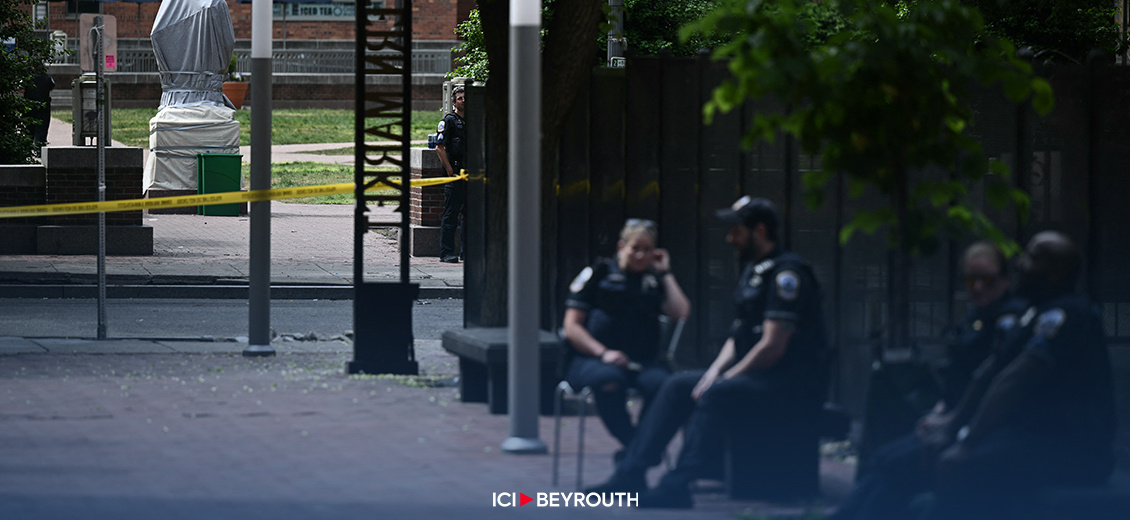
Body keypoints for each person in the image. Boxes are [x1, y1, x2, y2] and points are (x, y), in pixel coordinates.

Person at [830, 231, 1116, 520]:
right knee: (891, 459)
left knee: (955, 466)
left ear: (1054, 274)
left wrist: (965, 442)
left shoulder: (1067, 315)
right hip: (1027, 436)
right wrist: (952, 426)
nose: (1020, 263)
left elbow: (1012, 380)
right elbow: (987, 372)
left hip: (1071, 449)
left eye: (1032, 258)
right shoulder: (1034, 314)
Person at [586, 196, 830, 509]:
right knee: (677, 385)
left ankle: (677, 485)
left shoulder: (788, 274)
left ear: (759, 230)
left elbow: (772, 346)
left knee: (716, 394)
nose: (730, 239)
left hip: (791, 382)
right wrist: (715, 373)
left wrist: (725, 380)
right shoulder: (754, 272)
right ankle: (629, 475)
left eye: (737, 232)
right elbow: (737, 337)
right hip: (758, 376)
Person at [562, 219, 692, 453]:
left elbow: (681, 312)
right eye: (635, 248)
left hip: (641, 362)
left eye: (647, 250)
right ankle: (638, 449)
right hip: (594, 359)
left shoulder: (653, 280)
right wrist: (604, 353)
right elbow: (572, 327)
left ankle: (637, 453)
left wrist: (666, 273)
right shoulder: (598, 273)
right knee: (610, 381)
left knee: (665, 386)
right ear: (621, 247)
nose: (641, 255)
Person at [435, 86, 466, 263]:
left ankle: (467, 252)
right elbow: (440, 148)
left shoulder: (475, 121)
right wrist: (449, 170)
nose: (463, 101)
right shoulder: (448, 121)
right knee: (451, 215)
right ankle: (446, 253)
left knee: (471, 215)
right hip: (455, 173)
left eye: (465, 98)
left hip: (471, 173)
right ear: (454, 102)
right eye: (460, 98)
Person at [23, 73, 55, 146]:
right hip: (43, 106)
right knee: (42, 129)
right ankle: (40, 149)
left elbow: (21, 90)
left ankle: (27, 148)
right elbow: (52, 88)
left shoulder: (27, 77)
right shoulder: (48, 78)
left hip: (29, 106)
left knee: (29, 129)